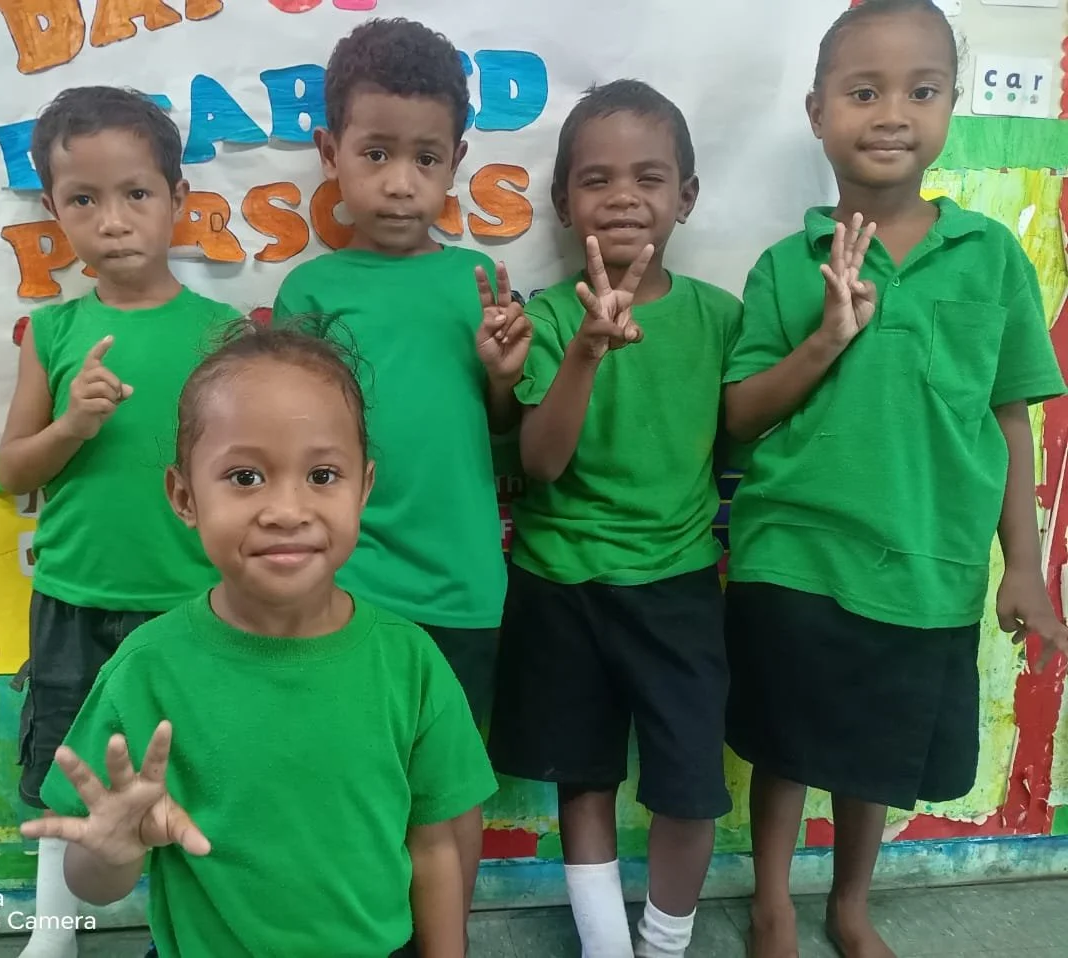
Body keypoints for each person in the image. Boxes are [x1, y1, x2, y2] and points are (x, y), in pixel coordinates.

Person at [720, 2, 1068, 956]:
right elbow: (739, 419)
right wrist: (829, 339)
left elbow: (1010, 418)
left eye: (921, 90)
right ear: (816, 111)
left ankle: (851, 903)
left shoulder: (991, 257)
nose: (891, 112)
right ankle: (774, 905)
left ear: (952, 104)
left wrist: (1026, 567)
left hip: (930, 565)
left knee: (875, 756)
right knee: (787, 748)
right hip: (793, 551)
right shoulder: (786, 266)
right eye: (862, 91)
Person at [21, 320, 497, 958]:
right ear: (185, 497)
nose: (287, 510)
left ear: (366, 489)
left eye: (323, 475)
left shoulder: (409, 663)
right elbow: (96, 881)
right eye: (245, 478)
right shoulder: (146, 670)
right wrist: (112, 849)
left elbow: (438, 844)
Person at [272, 17, 531, 920]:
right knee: (347, 777)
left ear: (457, 159)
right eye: (375, 152)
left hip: (461, 586)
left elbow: (504, 440)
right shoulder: (309, 292)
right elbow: (290, 449)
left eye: (425, 159)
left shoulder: (479, 283)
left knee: (451, 791)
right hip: (344, 587)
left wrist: (506, 380)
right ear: (328, 150)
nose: (398, 183)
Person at [486, 81, 741, 958]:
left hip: (676, 589)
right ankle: (605, 945)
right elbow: (540, 463)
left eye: (649, 177)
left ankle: (663, 945)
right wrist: (588, 349)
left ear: (688, 196)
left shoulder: (719, 318)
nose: (624, 196)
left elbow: (740, 437)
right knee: (583, 777)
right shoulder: (549, 319)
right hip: (560, 586)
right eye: (596, 180)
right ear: (563, 203)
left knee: (689, 787)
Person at [0, 86, 240, 958]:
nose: (113, 221)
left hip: (192, 603)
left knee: (197, 770)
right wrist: (71, 425)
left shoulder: (224, 335)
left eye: (137, 194)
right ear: (55, 211)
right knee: (67, 767)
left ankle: (199, 925)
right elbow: (11, 472)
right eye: (83, 200)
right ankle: (53, 936)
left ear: (177, 199)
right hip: (74, 594)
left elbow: (248, 472)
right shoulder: (53, 331)